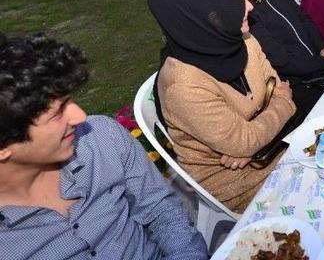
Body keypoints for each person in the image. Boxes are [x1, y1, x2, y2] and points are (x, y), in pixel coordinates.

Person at [0, 33, 207, 260]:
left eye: (69, 101)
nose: (80, 116)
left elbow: (161, 209)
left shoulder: (100, 137)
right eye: (57, 113)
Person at [149, 0, 298, 211]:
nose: (249, 6)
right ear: (208, 16)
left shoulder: (240, 40)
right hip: (236, 182)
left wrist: (252, 141)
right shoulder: (183, 85)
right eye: (236, 2)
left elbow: (275, 84)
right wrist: (282, 106)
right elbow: (278, 98)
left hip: (271, 150)